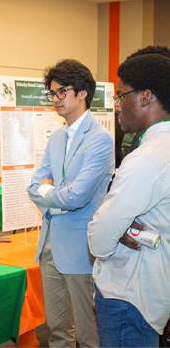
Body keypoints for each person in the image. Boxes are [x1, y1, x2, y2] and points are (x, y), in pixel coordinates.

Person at [27, 59, 115, 347]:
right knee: (57, 331)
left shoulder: (100, 139)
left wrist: (50, 193)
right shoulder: (57, 137)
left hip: (80, 249)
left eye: (62, 91)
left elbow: (78, 196)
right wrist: (53, 193)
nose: (56, 99)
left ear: (82, 93)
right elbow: (33, 186)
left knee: (88, 334)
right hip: (50, 245)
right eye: (52, 93)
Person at [88, 53, 170, 347]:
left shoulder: (146, 159)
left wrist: (117, 228)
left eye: (121, 96)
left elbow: (98, 239)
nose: (117, 106)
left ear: (146, 97)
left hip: (129, 296)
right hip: (152, 292)